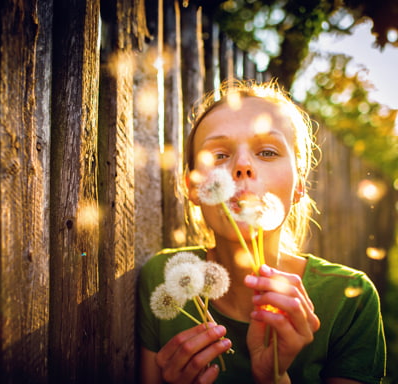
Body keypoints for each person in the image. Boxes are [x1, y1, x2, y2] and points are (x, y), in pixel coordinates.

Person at [138, 79, 386, 383]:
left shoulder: (351, 300)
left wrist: (275, 379)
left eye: (267, 152)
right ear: (193, 188)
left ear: (299, 187)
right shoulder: (161, 278)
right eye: (219, 155)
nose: (242, 165)